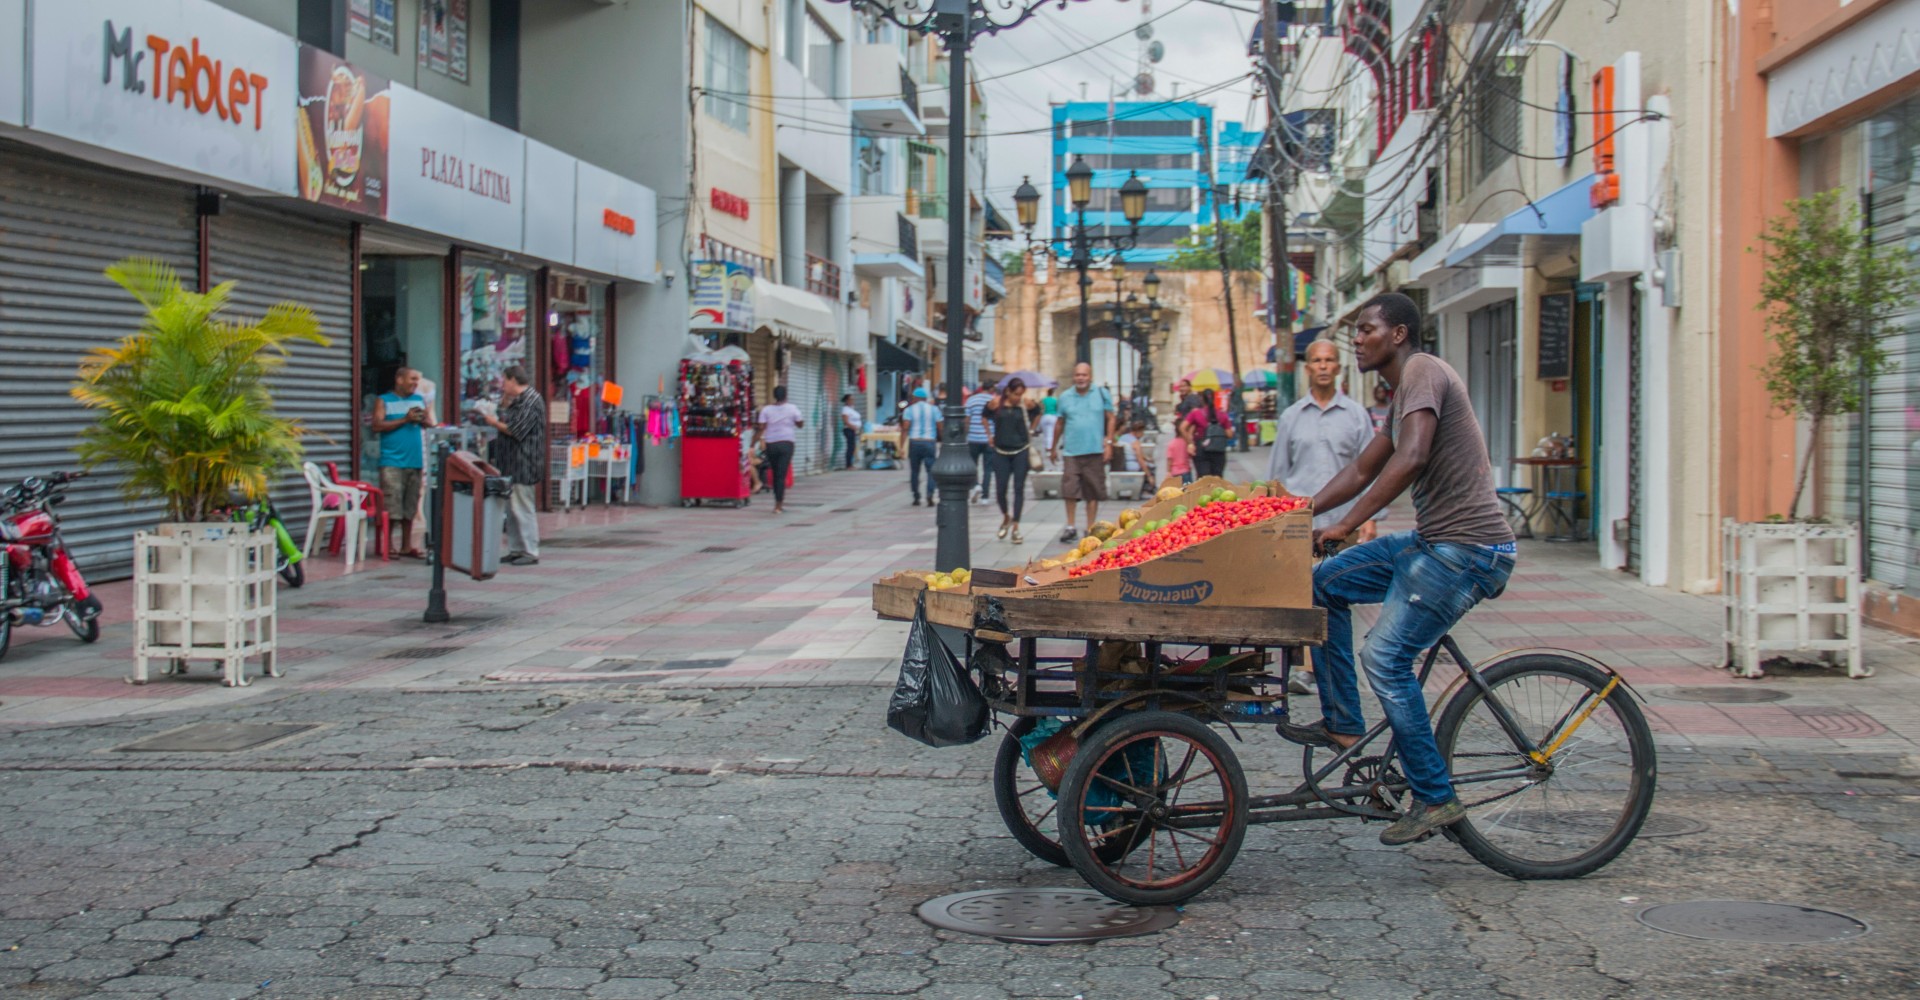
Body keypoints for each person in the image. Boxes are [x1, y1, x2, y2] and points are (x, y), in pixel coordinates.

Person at [1277, 292, 1517, 846]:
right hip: (1436, 541)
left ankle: (1435, 797)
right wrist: (1298, 512)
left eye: (1366, 329)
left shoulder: (1424, 373)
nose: (1356, 340)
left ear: (1400, 334)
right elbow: (1365, 466)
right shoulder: (1398, 390)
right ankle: (1343, 723)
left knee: (1384, 658)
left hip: (1469, 550)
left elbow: (1411, 458)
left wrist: (1346, 525)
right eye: (1355, 331)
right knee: (1322, 585)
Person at [1267, 339, 1380, 695]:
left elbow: (1372, 470)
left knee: (1336, 596)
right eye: (1316, 360)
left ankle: (1332, 670)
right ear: (1308, 368)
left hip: (1343, 524)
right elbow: (1278, 474)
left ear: (1338, 368)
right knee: (1300, 596)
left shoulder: (1356, 415)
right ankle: (1303, 668)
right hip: (1301, 525)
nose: (1323, 366)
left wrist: (1372, 518)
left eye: (1329, 360)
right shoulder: (1291, 417)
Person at [481, 366, 547, 566]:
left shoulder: (531, 400)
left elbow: (516, 430)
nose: (503, 385)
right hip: (511, 463)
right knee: (511, 508)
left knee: (522, 507)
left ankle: (529, 550)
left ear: (512, 380)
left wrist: (493, 423)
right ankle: (516, 548)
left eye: (504, 381)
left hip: (523, 463)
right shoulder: (520, 401)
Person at [1049, 362, 1115, 543]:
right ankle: (1070, 526)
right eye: (1077, 375)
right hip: (1071, 450)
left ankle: (1090, 527)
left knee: (1092, 490)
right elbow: (1060, 423)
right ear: (1073, 377)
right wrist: (1053, 447)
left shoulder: (1101, 394)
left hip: (1095, 450)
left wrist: (1109, 442)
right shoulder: (1065, 397)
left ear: (1090, 377)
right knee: (1069, 489)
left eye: (1084, 375)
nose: (1080, 378)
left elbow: (1111, 418)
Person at [372, 367, 433, 559]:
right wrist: (404, 419)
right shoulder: (384, 400)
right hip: (392, 461)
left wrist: (423, 419)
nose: (415, 384)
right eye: (412, 379)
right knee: (392, 505)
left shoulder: (418, 400)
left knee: (410, 505)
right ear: (399, 379)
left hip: (414, 460)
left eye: (417, 380)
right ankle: (388, 545)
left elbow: (429, 424)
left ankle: (407, 546)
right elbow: (377, 425)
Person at [985, 378, 1041, 543]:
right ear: (1008, 391)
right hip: (1001, 451)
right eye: (1016, 394)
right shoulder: (996, 404)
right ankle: (1006, 516)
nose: (1019, 397)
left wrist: (1031, 428)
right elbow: (984, 416)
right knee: (1000, 489)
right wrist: (989, 435)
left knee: (1019, 488)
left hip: (1021, 451)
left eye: (1021, 394)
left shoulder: (1026, 404)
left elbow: (1038, 412)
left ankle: (1016, 527)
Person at [753, 385, 804, 514]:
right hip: (787, 443)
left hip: (771, 444)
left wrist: (752, 444)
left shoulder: (766, 409)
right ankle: (778, 505)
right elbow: (800, 424)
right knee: (781, 474)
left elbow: (761, 428)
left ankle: (777, 504)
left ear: (774, 395)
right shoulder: (793, 408)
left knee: (776, 474)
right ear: (786, 395)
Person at [899, 386, 941, 506]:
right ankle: (930, 493)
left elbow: (905, 428)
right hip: (929, 442)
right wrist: (941, 440)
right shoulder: (934, 409)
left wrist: (902, 446)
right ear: (926, 398)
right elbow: (940, 426)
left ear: (915, 398)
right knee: (931, 470)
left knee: (915, 471)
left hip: (915, 442)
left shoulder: (909, 410)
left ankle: (916, 496)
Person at [1184, 388, 1234, 479]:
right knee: (1217, 478)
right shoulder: (1222, 415)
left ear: (1202, 399)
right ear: (1214, 399)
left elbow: (1183, 427)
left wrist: (1190, 443)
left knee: (1203, 478)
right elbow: (1230, 434)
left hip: (1201, 448)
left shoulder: (1196, 413)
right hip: (1218, 450)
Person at [964, 383, 995, 504]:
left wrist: (966, 432)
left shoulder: (971, 400)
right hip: (989, 438)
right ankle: (985, 497)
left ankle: (976, 485)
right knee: (988, 468)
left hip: (973, 437)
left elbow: (967, 420)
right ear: (991, 389)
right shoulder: (992, 400)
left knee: (973, 465)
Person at [1037, 388, 1061, 469]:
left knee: (1046, 434)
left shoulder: (1043, 400)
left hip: (1045, 416)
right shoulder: (1055, 400)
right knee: (1051, 434)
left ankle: (1047, 449)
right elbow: (1058, 408)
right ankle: (1051, 449)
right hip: (1053, 416)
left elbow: (1040, 408)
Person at [839, 394, 863, 471]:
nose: (852, 401)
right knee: (850, 447)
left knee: (853, 447)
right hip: (849, 430)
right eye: (851, 399)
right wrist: (853, 427)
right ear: (847, 400)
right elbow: (845, 421)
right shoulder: (845, 409)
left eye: (853, 399)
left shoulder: (851, 409)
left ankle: (851, 463)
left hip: (853, 430)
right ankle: (848, 465)